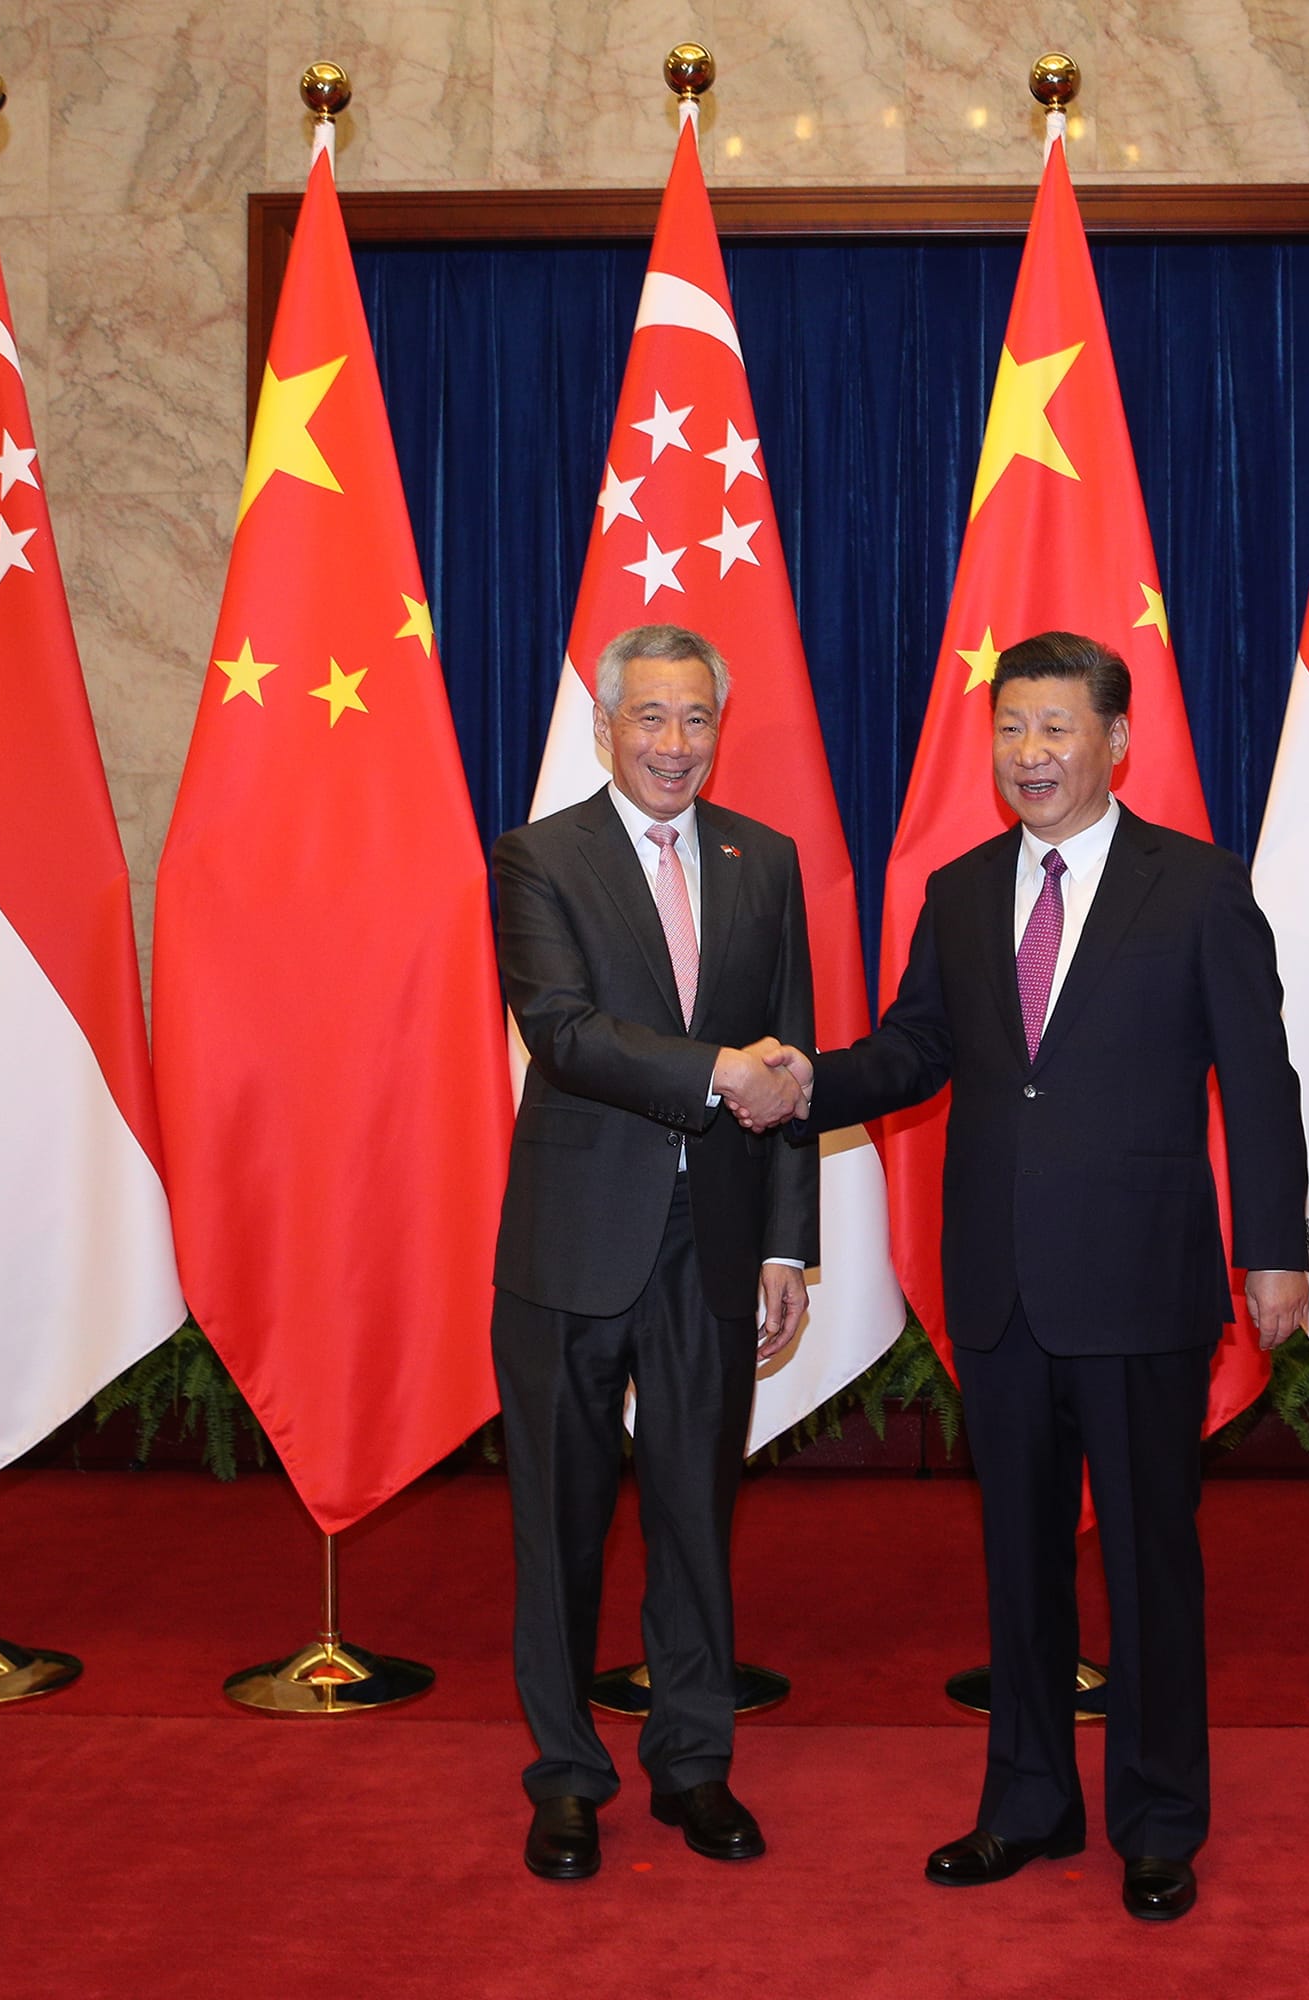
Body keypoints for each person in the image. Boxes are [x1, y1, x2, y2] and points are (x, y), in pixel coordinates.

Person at [764, 629, 1309, 1924]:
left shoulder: (1196, 887)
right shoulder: (956, 891)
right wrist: (799, 1084)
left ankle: (1159, 1818)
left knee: (1148, 1563)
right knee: (1017, 1564)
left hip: (1140, 1291)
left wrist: (1274, 1246)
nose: (1032, 754)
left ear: (1117, 742)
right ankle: (1027, 1802)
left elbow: (1262, 1079)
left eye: (1057, 729)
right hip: (1001, 1291)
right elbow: (912, 1054)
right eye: (1012, 729)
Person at [488, 622, 817, 1882]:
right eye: (651, 719)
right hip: (575, 1242)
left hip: (715, 1245)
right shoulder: (539, 857)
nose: (675, 744)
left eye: (695, 720)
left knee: (694, 1513)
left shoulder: (763, 860)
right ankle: (567, 1773)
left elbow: (789, 1052)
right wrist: (715, 1072)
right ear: (606, 727)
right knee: (562, 1524)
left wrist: (788, 1245)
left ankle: (693, 1763)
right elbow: (564, 1031)